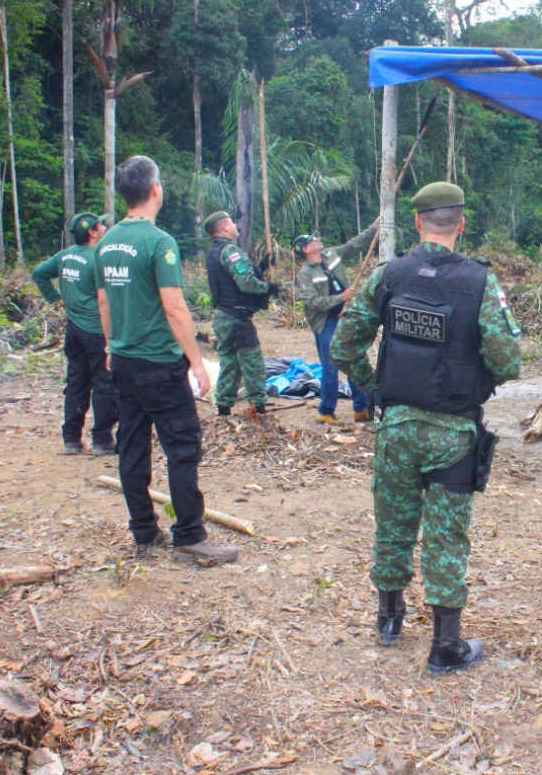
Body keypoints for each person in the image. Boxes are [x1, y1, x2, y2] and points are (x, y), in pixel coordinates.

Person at [331, 182, 522, 675]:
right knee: (446, 536)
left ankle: (389, 618)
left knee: (392, 522)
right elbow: (506, 360)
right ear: (461, 223)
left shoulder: (388, 276)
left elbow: (344, 346)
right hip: (453, 432)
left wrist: (376, 390)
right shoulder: (481, 283)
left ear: (418, 223)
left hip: (396, 426)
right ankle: (445, 645)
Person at [94, 156, 238, 564]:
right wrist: (196, 360)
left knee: (133, 447)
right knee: (182, 446)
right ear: (155, 189)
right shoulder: (159, 242)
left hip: (122, 361)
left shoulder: (106, 243)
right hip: (158, 362)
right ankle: (189, 535)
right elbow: (174, 309)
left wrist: (110, 346)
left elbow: (104, 300)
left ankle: (144, 532)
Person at [31, 212, 118, 456]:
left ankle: (71, 438)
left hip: (74, 330)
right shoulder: (98, 259)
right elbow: (104, 301)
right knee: (103, 382)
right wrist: (110, 339)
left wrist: (55, 298)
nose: (103, 227)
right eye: (100, 225)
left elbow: (39, 273)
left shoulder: (65, 256)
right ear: (92, 231)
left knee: (76, 382)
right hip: (96, 329)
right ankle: (102, 439)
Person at [293, 218, 379, 424]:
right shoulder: (305, 274)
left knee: (353, 360)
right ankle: (326, 411)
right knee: (331, 366)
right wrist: (341, 298)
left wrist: (374, 226)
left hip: (345, 317)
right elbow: (313, 302)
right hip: (326, 323)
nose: (318, 239)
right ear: (306, 249)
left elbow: (354, 245)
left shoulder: (331, 254)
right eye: (313, 239)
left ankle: (361, 408)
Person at [203, 210, 279, 420]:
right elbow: (245, 283)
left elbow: (233, 276)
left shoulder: (214, 251)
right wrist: (267, 288)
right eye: (232, 222)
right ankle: (259, 408)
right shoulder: (230, 251)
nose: (237, 225)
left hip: (222, 316)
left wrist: (261, 267)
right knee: (252, 363)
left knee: (229, 362)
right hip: (237, 319)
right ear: (225, 227)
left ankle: (224, 408)